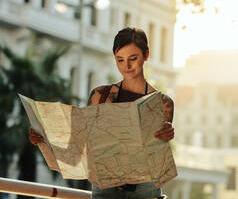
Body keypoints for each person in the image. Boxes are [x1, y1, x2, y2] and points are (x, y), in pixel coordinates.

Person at [29, 27, 175, 199]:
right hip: (105, 187)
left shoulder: (163, 103)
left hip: (145, 189)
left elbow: (158, 155)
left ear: (146, 55)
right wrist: (43, 141)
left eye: (133, 59)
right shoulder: (100, 96)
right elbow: (79, 146)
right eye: (120, 60)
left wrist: (166, 136)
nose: (126, 66)